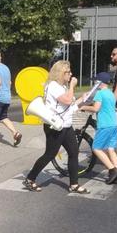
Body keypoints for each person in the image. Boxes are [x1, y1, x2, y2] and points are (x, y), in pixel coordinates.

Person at [23, 60, 90, 194]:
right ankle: (30, 178)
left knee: (73, 153)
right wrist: (72, 86)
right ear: (60, 73)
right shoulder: (53, 86)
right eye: (68, 72)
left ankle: (74, 184)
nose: (70, 74)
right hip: (54, 126)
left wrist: (82, 99)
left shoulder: (63, 87)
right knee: (50, 154)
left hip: (66, 125)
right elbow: (66, 100)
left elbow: (68, 106)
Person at [80, 72, 117, 184]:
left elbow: (96, 109)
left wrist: (83, 107)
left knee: (96, 148)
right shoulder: (110, 93)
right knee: (111, 149)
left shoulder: (100, 93)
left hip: (105, 125)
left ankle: (112, 170)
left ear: (99, 82)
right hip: (114, 124)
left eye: (95, 81)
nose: (94, 83)